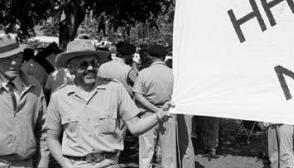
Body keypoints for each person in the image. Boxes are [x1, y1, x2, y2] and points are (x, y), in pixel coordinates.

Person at [45, 39, 173, 168]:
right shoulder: (59, 97)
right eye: (83, 65)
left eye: (94, 63)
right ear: (71, 68)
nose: (90, 68)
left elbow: (135, 127)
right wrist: (66, 164)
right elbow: (51, 138)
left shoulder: (115, 89)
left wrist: (158, 115)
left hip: (108, 164)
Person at [134, 44, 194, 168]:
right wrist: (161, 110)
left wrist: (156, 110)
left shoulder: (144, 73)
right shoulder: (174, 74)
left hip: (148, 115)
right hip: (169, 114)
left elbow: (138, 96)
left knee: (146, 153)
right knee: (169, 155)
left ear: (150, 56)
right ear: (164, 57)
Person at [0, 36, 49, 168]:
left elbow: (43, 130)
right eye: (6, 59)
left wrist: (43, 163)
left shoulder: (34, 86)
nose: (14, 63)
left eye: (16, 57)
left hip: (25, 164)